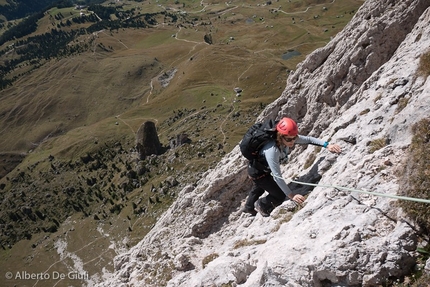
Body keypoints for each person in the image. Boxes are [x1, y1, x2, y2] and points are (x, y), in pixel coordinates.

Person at [242, 117, 342, 217]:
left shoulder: (288, 137)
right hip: (258, 173)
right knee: (279, 195)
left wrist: (327, 145)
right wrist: (291, 195)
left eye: (294, 138)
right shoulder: (272, 151)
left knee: (259, 187)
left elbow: (308, 140)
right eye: (289, 139)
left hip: (261, 168)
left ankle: (248, 207)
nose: (292, 142)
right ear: (280, 136)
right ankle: (261, 205)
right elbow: (278, 176)